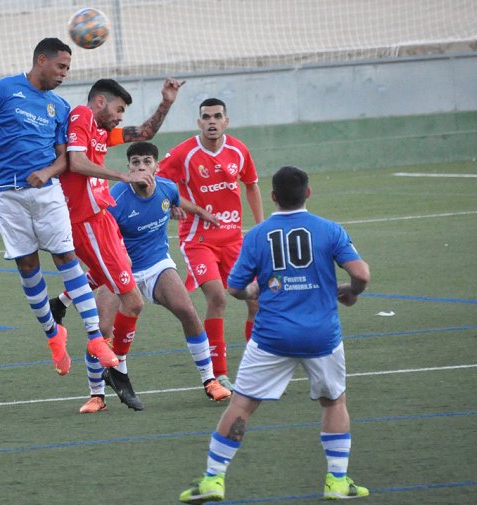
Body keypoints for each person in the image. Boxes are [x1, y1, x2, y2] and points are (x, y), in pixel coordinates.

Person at [179, 165, 371, 503]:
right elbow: (362, 274)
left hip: (272, 337)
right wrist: (351, 291)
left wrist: (253, 293)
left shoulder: (257, 235)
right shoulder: (330, 230)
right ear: (308, 193)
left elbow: (235, 287)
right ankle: (337, 482)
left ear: (272, 197)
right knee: (334, 401)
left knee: (241, 404)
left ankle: (213, 479)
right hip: (321, 336)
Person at [0, 37, 115, 375]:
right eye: (61, 66)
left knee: (65, 256)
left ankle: (94, 337)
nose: (64, 74)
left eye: (68, 69)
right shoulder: (3, 90)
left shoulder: (59, 107)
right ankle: (52, 333)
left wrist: (46, 173)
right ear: (41, 60)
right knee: (27, 264)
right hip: (5, 192)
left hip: (47, 192)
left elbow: (66, 160)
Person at [51, 77, 185, 413]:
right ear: (100, 102)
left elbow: (144, 133)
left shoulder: (99, 132)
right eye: (119, 109)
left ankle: (61, 304)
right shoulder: (82, 115)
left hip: (103, 219)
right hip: (87, 224)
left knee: (122, 299)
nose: (121, 117)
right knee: (133, 302)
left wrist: (167, 102)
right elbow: (75, 163)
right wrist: (124, 177)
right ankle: (117, 374)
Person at [78, 142, 232, 413]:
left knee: (188, 311)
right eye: (135, 162)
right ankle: (97, 395)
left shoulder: (166, 188)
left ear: (156, 166)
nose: (140, 167)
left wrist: (195, 210)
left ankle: (210, 381)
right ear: (128, 167)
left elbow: (173, 199)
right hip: (120, 270)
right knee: (102, 330)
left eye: (146, 162)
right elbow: (102, 237)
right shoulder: (117, 198)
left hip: (157, 264)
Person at [156, 98, 264, 392]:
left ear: (226, 121)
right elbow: (157, 184)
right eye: (206, 117)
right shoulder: (184, 153)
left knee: (256, 300)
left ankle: (256, 368)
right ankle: (218, 374)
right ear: (199, 122)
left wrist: (261, 224)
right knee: (218, 298)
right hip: (198, 241)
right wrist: (175, 205)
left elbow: (251, 185)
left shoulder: (239, 151)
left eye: (218, 116)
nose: (212, 121)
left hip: (234, 241)